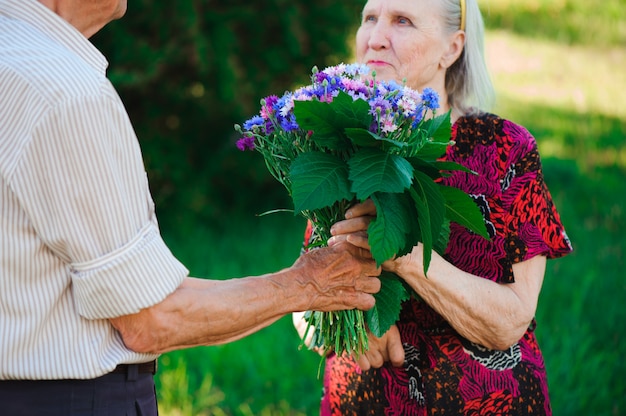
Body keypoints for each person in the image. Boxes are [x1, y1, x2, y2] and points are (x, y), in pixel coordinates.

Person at [0, 0, 382, 414]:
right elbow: (150, 321)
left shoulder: (16, 60)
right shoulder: (64, 92)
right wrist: (308, 284)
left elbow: (145, 298)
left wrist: (305, 283)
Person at [293, 0, 573, 414]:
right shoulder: (341, 142)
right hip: (363, 401)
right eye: (369, 18)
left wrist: (403, 257)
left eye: (401, 21)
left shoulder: (503, 149)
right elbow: (304, 296)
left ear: (452, 48)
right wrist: (349, 325)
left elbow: (510, 321)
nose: (375, 38)